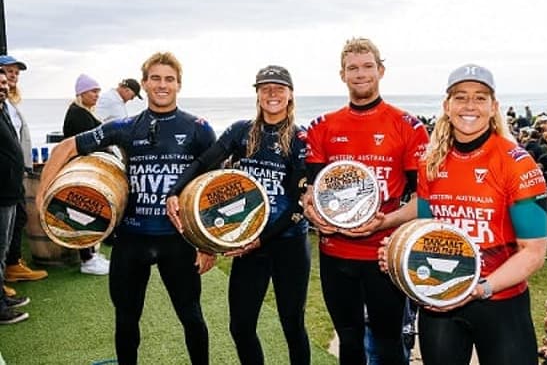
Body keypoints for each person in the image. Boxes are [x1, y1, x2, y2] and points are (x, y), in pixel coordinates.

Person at [36, 52, 215, 364]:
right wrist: (42, 197)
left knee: (192, 316)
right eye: (155, 78)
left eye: (169, 79)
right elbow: (67, 147)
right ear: (144, 83)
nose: (162, 85)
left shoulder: (199, 128)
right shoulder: (124, 126)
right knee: (126, 320)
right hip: (131, 240)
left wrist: (208, 243)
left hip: (177, 240)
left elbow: (210, 186)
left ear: (179, 85)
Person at [377, 63, 547, 364]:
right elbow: (427, 231)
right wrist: (397, 253)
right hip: (439, 302)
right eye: (460, 97)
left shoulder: (517, 162)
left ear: (494, 106)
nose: (470, 105)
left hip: (500, 303)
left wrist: (481, 289)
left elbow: (533, 251)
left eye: (480, 97)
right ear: (447, 105)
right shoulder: (431, 161)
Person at [166, 65, 311, 365]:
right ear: (257, 93)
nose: (272, 93)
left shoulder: (301, 139)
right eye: (265, 87)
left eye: (279, 88)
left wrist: (260, 240)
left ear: (290, 95)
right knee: (241, 326)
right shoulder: (240, 131)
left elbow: (298, 205)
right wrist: (175, 192)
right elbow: (205, 162)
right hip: (247, 241)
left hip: (288, 244)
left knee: (292, 325)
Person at [302, 37, 429, 364]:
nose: (360, 74)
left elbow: (424, 200)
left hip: (385, 256)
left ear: (381, 70)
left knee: (388, 344)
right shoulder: (322, 126)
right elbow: (312, 192)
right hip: (335, 255)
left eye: (367, 66)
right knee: (350, 342)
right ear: (342, 74)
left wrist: (386, 222)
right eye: (352, 68)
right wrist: (311, 211)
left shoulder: (408, 126)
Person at [0, 55, 48, 290]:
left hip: (14, 174)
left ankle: (11, 265)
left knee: (17, 219)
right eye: (7, 71)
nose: (12, 75)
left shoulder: (10, 103)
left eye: (16, 72)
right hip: (4, 177)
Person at [62, 74, 109, 275]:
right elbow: (86, 145)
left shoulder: (82, 112)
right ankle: (87, 260)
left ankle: (91, 254)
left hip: (87, 170)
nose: (97, 95)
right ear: (82, 93)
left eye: (98, 91)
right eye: (93, 91)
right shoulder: (77, 115)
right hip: (82, 171)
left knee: (90, 212)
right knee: (83, 213)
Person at [0, 67, 31, 324]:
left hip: (10, 189)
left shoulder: (3, 110)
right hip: (1, 191)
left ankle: (1, 294)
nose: (4, 86)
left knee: (3, 248)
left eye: (4, 82)